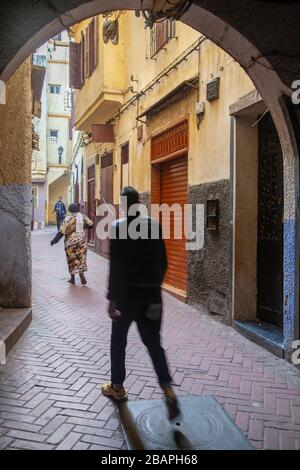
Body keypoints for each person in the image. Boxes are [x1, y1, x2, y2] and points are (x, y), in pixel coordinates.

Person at [101, 186, 180, 420]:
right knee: (154, 344)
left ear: (124, 206)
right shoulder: (154, 226)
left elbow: (115, 267)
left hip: (125, 298)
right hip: (151, 297)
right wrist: (154, 291)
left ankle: (117, 386)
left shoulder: (117, 228)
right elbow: (163, 263)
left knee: (118, 341)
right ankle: (167, 388)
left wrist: (111, 299)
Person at [50, 203, 93, 285]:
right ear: (78, 209)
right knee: (81, 258)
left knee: (71, 260)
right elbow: (91, 224)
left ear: (70, 210)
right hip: (81, 242)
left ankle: (72, 278)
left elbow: (61, 232)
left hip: (70, 243)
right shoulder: (83, 217)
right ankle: (81, 273)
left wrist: (54, 241)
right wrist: (83, 227)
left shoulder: (67, 219)